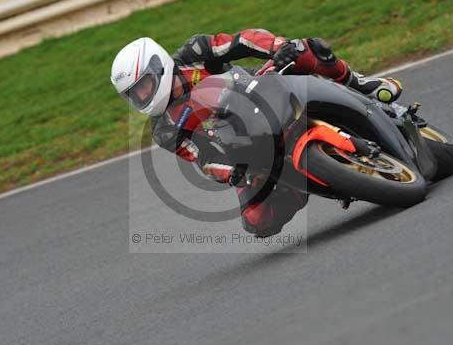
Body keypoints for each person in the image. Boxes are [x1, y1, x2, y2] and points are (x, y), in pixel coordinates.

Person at [110, 29, 402, 236]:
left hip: (259, 90)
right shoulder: (163, 129)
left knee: (306, 49)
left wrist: (277, 47)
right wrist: (230, 173)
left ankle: (361, 84)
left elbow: (242, 40)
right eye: (133, 94)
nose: (141, 96)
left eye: (144, 85)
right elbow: (201, 158)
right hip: (240, 148)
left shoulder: (194, 53)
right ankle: (298, 184)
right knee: (257, 221)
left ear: (158, 66)